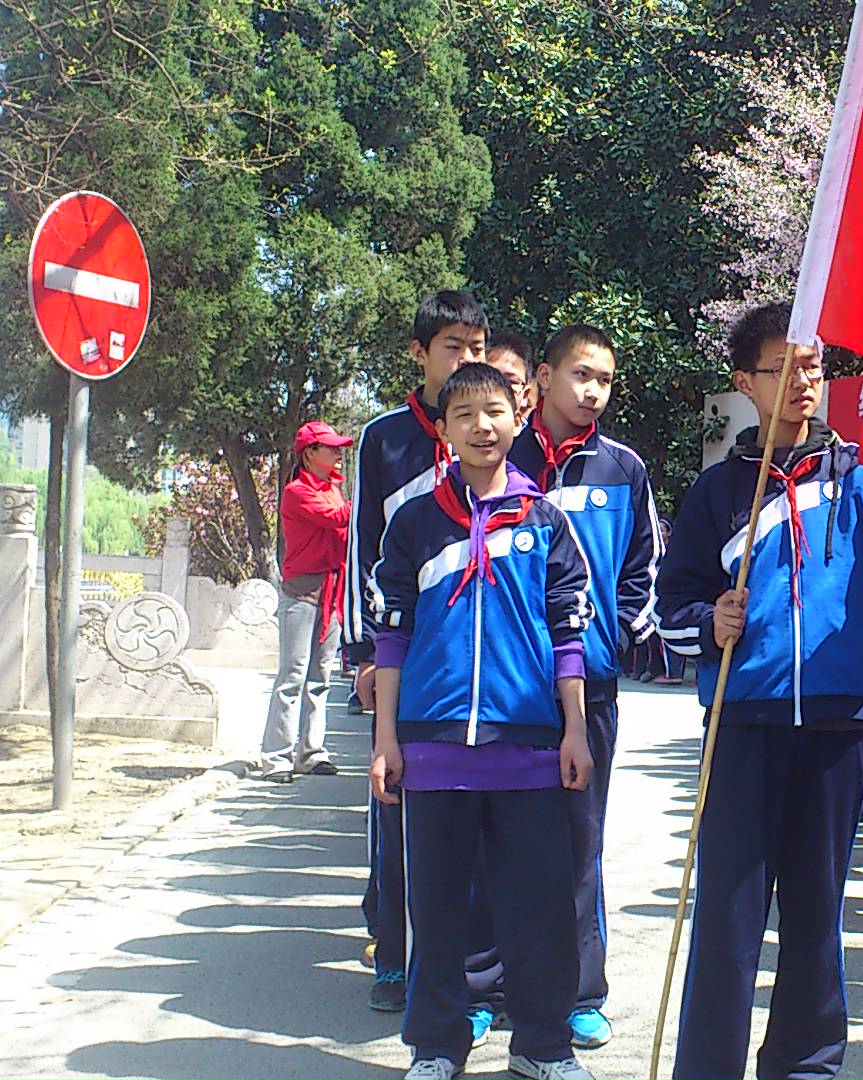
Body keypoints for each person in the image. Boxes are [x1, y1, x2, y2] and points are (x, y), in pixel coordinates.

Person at [657, 302, 863, 1080]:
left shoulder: (862, 475)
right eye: (783, 367)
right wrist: (709, 620)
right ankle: (709, 1064)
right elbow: (672, 606)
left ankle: (806, 1064)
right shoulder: (719, 492)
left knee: (816, 912)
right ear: (744, 385)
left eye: (814, 365)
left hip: (837, 721)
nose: (803, 381)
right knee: (729, 912)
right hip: (744, 717)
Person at [369, 362, 598, 1080]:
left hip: (529, 752)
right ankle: (436, 1048)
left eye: (494, 411)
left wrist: (575, 731)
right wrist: (386, 742)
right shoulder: (413, 522)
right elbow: (392, 638)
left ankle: (543, 1047)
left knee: (540, 912)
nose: (481, 427)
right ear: (442, 429)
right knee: (436, 917)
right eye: (463, 415)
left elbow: (569, 634)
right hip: (433, 754)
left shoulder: (545, 520)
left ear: (519, 416)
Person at [507, 324, 660, 1050]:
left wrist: (615, 634)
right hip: (507, 686)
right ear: (543, 377)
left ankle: (580, 992)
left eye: (604, 378)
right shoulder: (500, 455)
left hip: (588, 690)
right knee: (496, 842)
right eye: (579, 374)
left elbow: (645, 569)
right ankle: (493, 987)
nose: (592, 390)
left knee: (579, 842)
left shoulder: (624, 469)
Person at [345, 289, 490, 1012]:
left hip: (482, 664)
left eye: (476, 346)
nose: (466, 360)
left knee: (476, 822)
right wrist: (364, 656)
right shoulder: (384, 439)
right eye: (452, 347)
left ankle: (468, 969)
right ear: (420, 353)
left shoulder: (498, 432)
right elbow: (361, 548)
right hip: (403, 656)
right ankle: (393, 956)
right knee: (394, 808)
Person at [258, 420, 355, 782]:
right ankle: (277, 758)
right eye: (330, 448)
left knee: (320, 677)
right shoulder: (297, 491)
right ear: (310, 453)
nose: (337, 453)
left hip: (331, 592)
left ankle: (311, 753)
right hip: (302, 594)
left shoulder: (333, 488)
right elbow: (337, 518)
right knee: (293, 677)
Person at [487, 329, 538, 428]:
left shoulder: (537, 441)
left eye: (511, 381)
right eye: (491, 377)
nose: (499, 387)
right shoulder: (455, 435)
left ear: (525, 395)